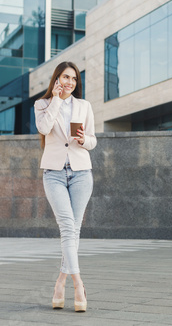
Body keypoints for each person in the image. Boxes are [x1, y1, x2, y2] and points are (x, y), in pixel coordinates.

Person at [34, 61, 97, 312]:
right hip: (54, 173)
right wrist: (57, 100)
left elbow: (92, 139)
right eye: (64, 77)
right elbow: (43, 128)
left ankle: (59, 283)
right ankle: (78, 284)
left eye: (73, 78)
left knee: (74, 229)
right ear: (56, 80)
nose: (69, 82)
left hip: (81, 172)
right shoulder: (42, 104)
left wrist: (84, 139)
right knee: (67, 227)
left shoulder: (85, 106)